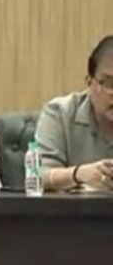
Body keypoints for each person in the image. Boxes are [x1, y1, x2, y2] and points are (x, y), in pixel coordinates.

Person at [37, 35, 113, 191]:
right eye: (109, 84)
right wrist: (78, 174)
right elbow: (38, 176)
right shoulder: (59, 114)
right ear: (89, 83)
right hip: (75, 207)